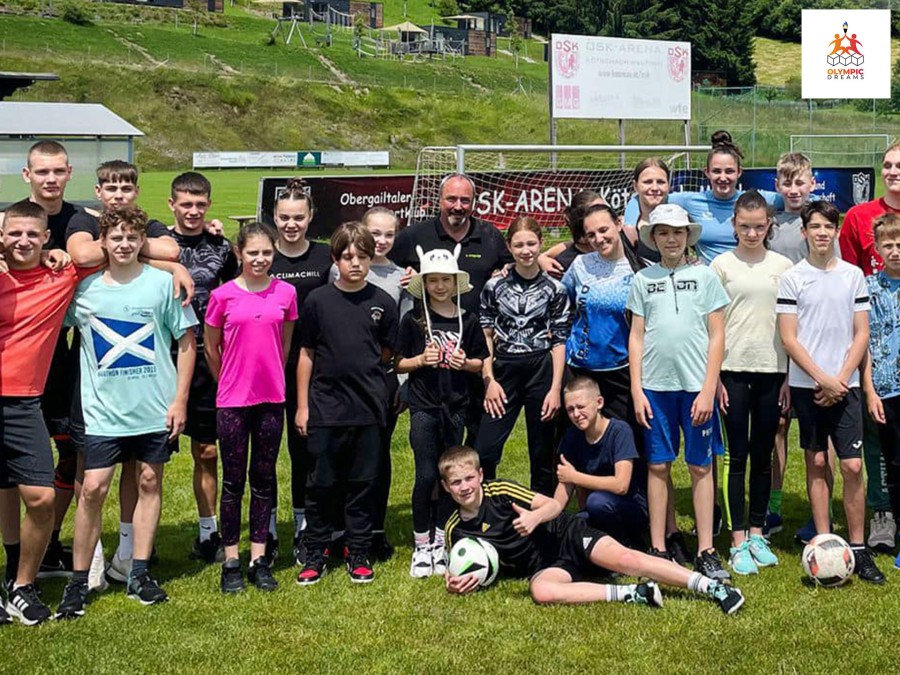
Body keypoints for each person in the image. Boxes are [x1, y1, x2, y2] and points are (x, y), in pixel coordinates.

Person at [56, 206, 197, 620]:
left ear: (142, 241)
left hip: (154, 408)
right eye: (115, 237)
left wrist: (180, 400)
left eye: (132, 237)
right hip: (102, 412)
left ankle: (138, 572)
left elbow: (186, 341)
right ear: (102, 241)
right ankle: (79, 581)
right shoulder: (83, 290)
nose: (123, 244)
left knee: (150, 481)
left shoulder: (162, 284)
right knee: (93, 489)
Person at [440, 446, 744, 615]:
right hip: (547, 566)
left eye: (469, 478)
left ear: (480, 475)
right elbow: (455, 565)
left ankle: (712, 587)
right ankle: (634, 593)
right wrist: (454, 582)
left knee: (627, 560)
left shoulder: (501, 492)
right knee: (541, 591)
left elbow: (553, 505)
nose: (464, 487)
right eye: (456, 482)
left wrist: (535, 518)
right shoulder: (456, 529)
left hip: (566, 535)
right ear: (445, 487)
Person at [776, 200, 885, 584]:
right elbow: (789, 338)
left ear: (836, 231)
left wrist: (839, 379)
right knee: (817, 461)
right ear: (804, 232)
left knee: (852, 466)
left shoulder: (853, 276)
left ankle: (858, 547)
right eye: (815, 226)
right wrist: (822, 378)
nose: (822, 233)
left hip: (846, 386)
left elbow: (862, 333)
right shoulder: (793, 277)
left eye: (828, 227)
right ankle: (824, 542)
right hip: (808, 386)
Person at [0, 200, 92, 625]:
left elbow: (122, 251)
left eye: (31, 234)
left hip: (23, 404)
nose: (23, 241)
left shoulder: (61, 275)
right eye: (14, 233)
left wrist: (176, 268)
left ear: (46, 237)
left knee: (39, 498)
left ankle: (22, 585)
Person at [627, 204, 730, 579]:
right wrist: (637, 390)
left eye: (678, 232)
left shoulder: (705, 277)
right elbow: (636, 337)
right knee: (657, 465)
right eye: (663, 233)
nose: (671, 239)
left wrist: (708, 388)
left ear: (688, 236)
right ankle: (657, 549)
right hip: (655, 388)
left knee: (701, 466)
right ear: (653, 238)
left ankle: (705, 550)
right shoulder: (643, 280)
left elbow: (717, 335)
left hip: (695, 388)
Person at [295, 223, 399, 586]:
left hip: (368, 408)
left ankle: (358, 551)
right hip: (325, 407)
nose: (355, 263)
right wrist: (303, 406)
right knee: (321, 483)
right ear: (335, 259)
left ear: (371, 259)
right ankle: (316, 550)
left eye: (362, 257)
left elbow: (386, 352)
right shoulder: (318, 301)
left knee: (362, 483)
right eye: (347, 257)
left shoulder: (382, 302)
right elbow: (306, 353)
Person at [206, 222, 297, 593]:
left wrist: (270, 375)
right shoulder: (222, 295)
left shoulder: (286, 293)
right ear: (238, 253)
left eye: (266, 253)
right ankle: (231, 559)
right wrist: (229, 380)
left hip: (271, 398)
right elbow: (211, 347)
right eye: (253, 252)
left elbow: (284, 344)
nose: (260, 259)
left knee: (264, 478)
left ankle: (259, 558)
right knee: (233, 481)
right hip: (232, 401)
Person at [389, 173, 512, 444]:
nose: (458, 206)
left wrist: (537, 261)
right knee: (433, 444)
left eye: (465, 200)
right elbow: (383, 265)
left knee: (481, 439)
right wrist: (406, 275)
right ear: (439, 200)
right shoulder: (415, 235)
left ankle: (477, 473)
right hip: (432, 364)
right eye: (451, 199)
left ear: (474, 203)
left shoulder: (489, 235)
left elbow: (514, 263)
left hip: (475, 350)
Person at [710, 192, 792, 575]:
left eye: (759, 226)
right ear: (734, 225)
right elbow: (711, 327)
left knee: (763, 456)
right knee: (736, 456)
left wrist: (789, 377)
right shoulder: (721, 266)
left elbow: (791, 326)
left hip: (772, 371)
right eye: (745, 226)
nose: (752, 233)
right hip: (732, 372)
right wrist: (715, 379)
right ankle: (737, 539)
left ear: (769, 224)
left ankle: (758, 533)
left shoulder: (783, 266)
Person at [395, 245, 488, 578]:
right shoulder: (413, 320)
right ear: (423, 284)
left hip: (456, 406)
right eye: (433, 280)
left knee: (451, 475)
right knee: (426, 475)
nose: (439, 286)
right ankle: (422, 545)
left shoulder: (469, 319)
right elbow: (398, 362)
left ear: (455, 283)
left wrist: (466, 363)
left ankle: (441, 538)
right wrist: (420, 360)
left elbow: (480, 361)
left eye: (445, 280)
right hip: (424, 406)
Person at [330, 206, 413, 562]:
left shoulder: (401, 277)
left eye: (388, 234)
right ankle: (339, 529)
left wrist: (403, 381)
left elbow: (404, 334)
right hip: (342, 383)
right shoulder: (338, 269)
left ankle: (374, 529)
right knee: (342, 457)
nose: (380, 240)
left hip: (382, 382)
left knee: (376, 457)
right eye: (374, 233)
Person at [166, 171, 238, 566]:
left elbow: (237, 294)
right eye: (185, 204)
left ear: (209, 205)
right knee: (147, 460)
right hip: (162, 358)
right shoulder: (157, 244)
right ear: (172, 205)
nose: (193, 211)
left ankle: (208, 533)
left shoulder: (221, 248)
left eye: (199, 204)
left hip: (208, 358)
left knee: (207, 450)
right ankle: (139, 541)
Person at [476, 217, 571, 494]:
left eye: (531, 244)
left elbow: (559, 340)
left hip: (541, 368)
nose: (526, 250)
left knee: (542, 452)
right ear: (509, 247)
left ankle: (543, 511)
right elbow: (486, 335)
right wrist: (489, 380)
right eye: (518, 245)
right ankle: (488, 506)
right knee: (485, 449)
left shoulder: (556, 289)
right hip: (504, 369)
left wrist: (555, 389)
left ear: (541, 244)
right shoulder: (494, 287)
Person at [268, 178, 333, 565]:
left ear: (310, 217)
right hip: (266, 369)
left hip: (311, 370)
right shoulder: (262, 255)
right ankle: (266, 531)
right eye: (284, 217)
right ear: (273, 217)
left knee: (304, 452)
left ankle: (304, 527)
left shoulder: (325, 257)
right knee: (265, 454)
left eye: (298, 217)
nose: (291, 224)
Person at [839, 143, 900, 552]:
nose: (893, 171)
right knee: (879, 446)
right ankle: (883, 513)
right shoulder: (860, 217)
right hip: (879, 374)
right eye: (888, 165)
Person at [624, 132, 782, 265]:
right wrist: (629, 223)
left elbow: (792, 198)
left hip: (747, 276)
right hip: (709, 282)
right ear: (707, 172)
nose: (723, 177)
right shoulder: (691, 201)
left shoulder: (755, 201)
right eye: (716, 171)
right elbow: (645, 196)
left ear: (739, 172)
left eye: (729, 171)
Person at [553, 377, 648, 550]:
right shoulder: (572, 435)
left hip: (630, 507)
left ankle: (628, 544)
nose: (576, 414)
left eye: (581, 407)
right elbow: (565, 483)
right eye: (570, 409)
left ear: (599, 403)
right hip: (595, 508)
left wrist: (575, 477)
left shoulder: (620, 431)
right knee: (570, 524)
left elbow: (621, 485)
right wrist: (551, 514)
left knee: (597, 501)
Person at [862, 213, 900, 568]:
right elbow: (866, 343)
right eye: (888, 245)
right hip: (884, 388)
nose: (895, 251)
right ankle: (884, 515)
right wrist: (870, 390)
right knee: (887, 456)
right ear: (876, 249)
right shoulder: (869, 288)